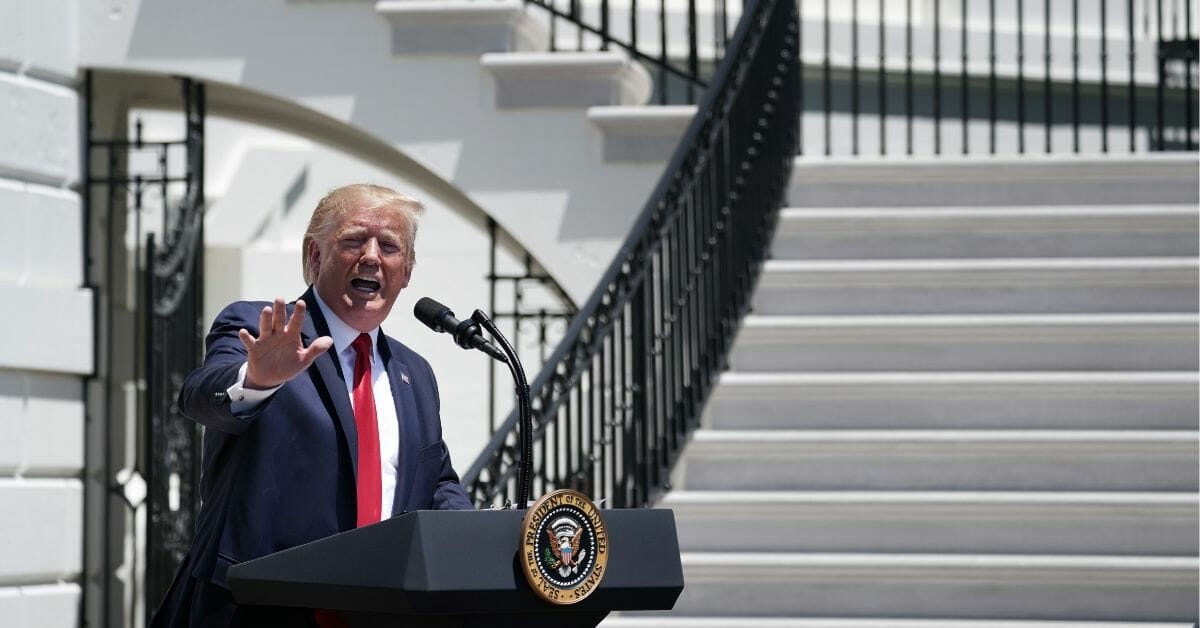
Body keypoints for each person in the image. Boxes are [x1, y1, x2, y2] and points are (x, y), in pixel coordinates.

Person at [151, 184, 474, 627]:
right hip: (256, 611)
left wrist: (485, 536)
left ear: (407, 271)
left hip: (378, 611)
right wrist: (258, 379)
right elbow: (201, 397)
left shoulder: (415, 374)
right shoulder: (260, 327)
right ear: (315, 256)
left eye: (390, 246)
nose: (372, 256)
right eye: (354, 240)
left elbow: (434, 484)